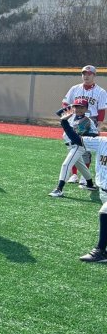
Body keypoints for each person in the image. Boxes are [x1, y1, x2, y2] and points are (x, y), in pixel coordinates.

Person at [60, 110, 107, 262]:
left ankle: (99, 251)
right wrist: (64, 123)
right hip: (103, 191)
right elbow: (78, 139)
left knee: (104, 213)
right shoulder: (102, 142)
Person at [62, 65, 107, 184]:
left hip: (90, 121)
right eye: (84, 74)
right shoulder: (74, 88)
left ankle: (84, 176)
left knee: (86, 149)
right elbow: (65, 103)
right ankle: (74, 175)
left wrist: (99, 125)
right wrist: (69, 116)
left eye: (89, 74)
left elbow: (102, 110)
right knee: (73, 146)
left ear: (94, 75)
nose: (86, 76)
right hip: (75, 120)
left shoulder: (101, 91)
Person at [49, 97, 98, 196]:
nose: (79, 109)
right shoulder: (70, 116)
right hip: (70, 146)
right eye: (76, 107)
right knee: (81, 166)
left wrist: (84, 135)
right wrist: (71, 106)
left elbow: (95, 134)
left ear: (86, 109)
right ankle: (89, 183)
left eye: (82, 107)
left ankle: (59, 189)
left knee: (66, 165)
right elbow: (58, 113)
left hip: (78, 145)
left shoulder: (88, 120)